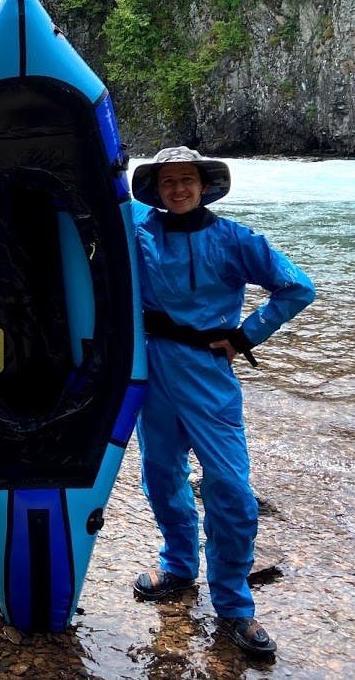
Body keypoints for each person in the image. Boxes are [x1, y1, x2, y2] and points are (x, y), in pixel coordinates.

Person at [128, 146, 315, 658]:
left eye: (187, 180)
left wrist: (246, 335)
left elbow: (297, 288)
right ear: (156, 190)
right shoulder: (140, 228)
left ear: (205, 185)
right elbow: (99, 204)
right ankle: (179, 566)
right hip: (151, 372)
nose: (178, 189)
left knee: (230, 487)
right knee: (161, 475)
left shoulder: (235, 239)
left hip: (209, 379)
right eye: (168, 182)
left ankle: (234, 604)